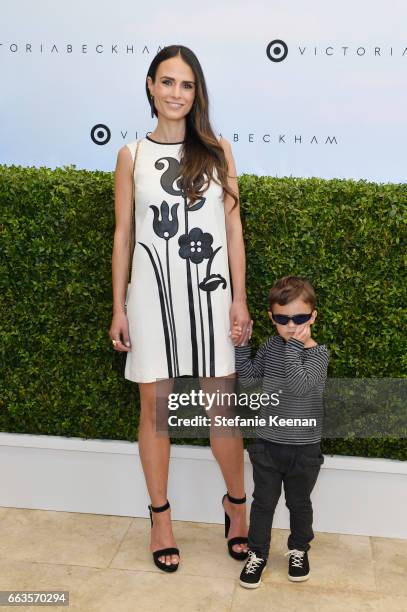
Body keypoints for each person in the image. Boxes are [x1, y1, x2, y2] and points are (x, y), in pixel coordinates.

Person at [109, 45, 252, 573]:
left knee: (222, 411)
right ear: (150, 86)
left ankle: (237, 508)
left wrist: (238, 297)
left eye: (186, 85)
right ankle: (161, 519)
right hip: (149, 297)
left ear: (197, 93)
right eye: (167, 82)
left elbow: (233, 228)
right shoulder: (131, 154)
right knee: (156, 411)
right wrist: (119, 306)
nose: (176, 94)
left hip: (213, 296)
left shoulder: (218, 150)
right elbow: (124, 234)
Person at [231, 275, 329, 588]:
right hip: (268, 444)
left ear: (313, 316)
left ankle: (299, 549)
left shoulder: (317, 354)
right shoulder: (272, 347)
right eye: (282, 318)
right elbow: (248, 379)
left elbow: (300, 386)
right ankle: (257, 553)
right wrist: (242, 346)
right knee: (263, 503)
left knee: (299, 504)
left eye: (299, 318)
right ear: (271, 317)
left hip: (304, 448)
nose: (290, 325)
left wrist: (294, 348)